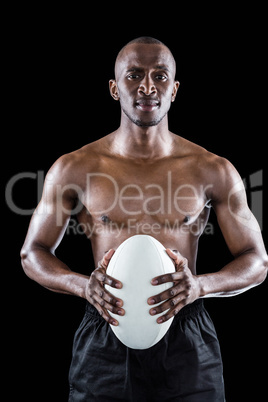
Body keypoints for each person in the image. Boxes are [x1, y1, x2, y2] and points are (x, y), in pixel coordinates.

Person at [21, 37, 267, 401]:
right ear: (114, 88)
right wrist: (81, 286)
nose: (148, 86)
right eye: (134, 75)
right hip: (106, 327)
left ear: (175, 89)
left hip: (186, 335)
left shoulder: (212, 169)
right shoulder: (76, 167)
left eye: (160, 76)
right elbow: (32, 253)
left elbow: (257, 261)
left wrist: (200, 286)